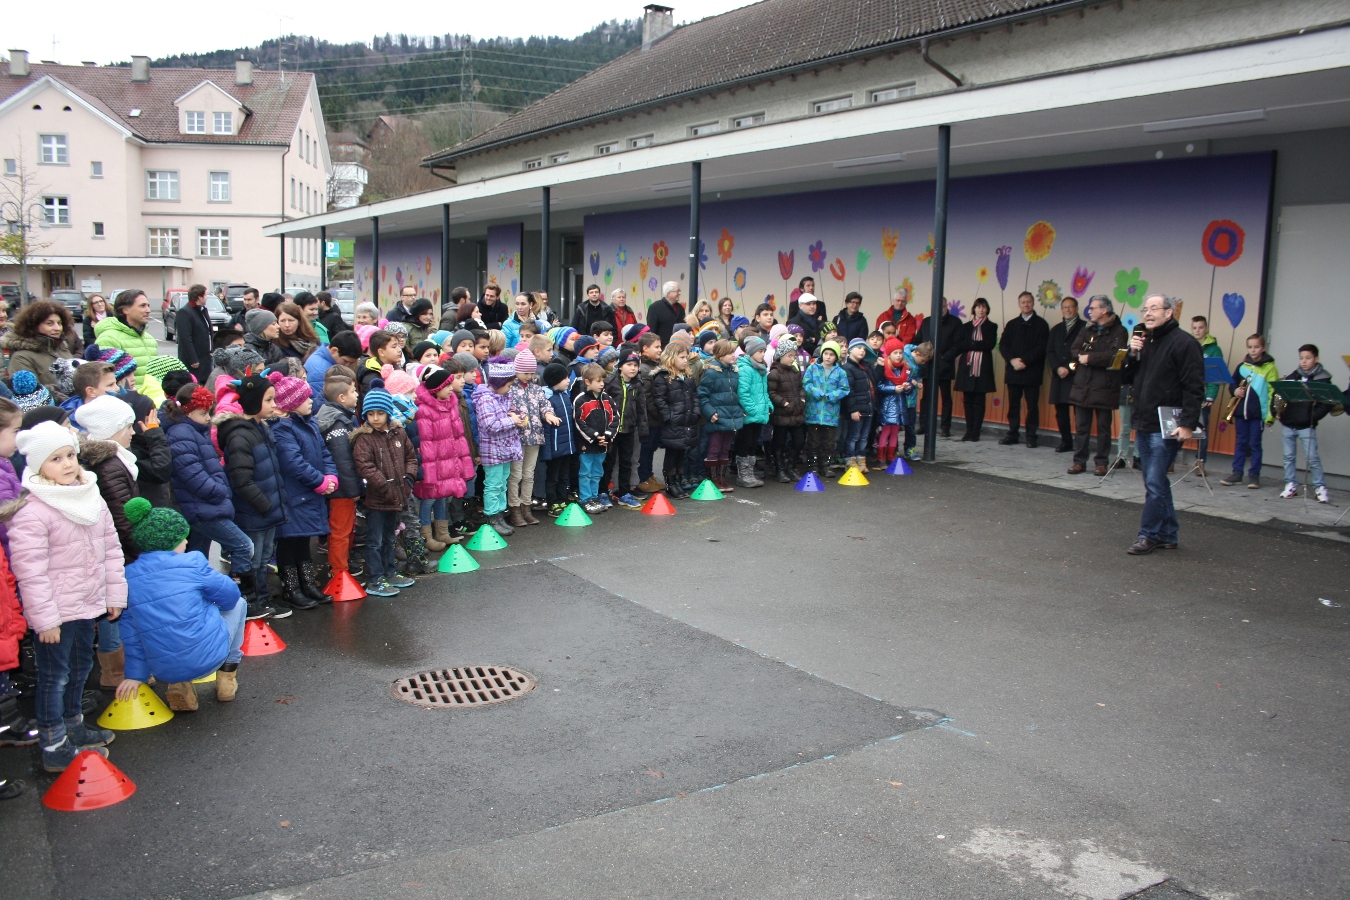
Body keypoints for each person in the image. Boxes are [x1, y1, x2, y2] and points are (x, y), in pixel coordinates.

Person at [8, 420, 127, 772]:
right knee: (54, 676)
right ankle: (53, 743)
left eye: (70, 455)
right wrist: (45, 621)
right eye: (55, 459)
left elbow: (111, 549)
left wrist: (113, 594)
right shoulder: (33, 511)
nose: (67, 464)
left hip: (87, 604)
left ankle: (73, 724)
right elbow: (30, 572)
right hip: (57, 614)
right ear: (38, 465)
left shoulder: (91, 496)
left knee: (80, 668)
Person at [115, 497, 246, 712]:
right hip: (210, 659)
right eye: (182, 537)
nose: (186, 541)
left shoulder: (128, 576)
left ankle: (179, 685)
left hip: (164, 670)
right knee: (239, 604)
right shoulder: (192, 562)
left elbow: (130, 632)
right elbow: (230, 597)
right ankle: (226, 679)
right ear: (171, 541)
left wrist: (135, 675)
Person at [162, 384, 261, 614]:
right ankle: (243, 598)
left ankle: (198, 603)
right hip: (202, 506)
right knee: (243, 545)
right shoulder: (181, 434)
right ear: (188, 412)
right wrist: (219, 491)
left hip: (205, 504)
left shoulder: (195, 430)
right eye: (203, 413)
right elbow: (191, 474)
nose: (208, 418)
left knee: (197, 557)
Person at [1122, 294, 1205, 554]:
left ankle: (1148, 534)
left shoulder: (1184, 343)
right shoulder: (1145, 342)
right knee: (1154, 481)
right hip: (1144, 420)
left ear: (1168, 313)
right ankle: (1168, 534)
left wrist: (1188, 423)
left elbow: (1194, 386)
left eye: (1154, 309)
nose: (1147, 313)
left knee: (1155, 482)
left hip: (1167, 425)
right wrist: (1132, 352)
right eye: (1145, 309)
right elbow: (1126, 377)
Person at [217, 369, 289, 615]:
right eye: (268, 400)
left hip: (268, 509)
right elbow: (241, 479)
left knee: (264, 557)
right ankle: (250, 602)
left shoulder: (261, 428)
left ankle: (262, 597)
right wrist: (265, 505)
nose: (274, 405)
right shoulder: (240, 436)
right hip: (255, 511)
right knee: (254, 559)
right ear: (253, 402)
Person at [269, 373, 337, 609]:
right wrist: (319, 481)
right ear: (291, 403)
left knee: (303, 540)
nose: (311, 400)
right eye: (305, 397)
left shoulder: (309, 423)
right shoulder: (282, 429)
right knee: (289, 541)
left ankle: (307, 584)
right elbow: (293, 463)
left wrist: (330, 476)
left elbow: (325, 452)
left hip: (309, 493)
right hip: (293, 494)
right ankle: (291, 588)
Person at [351, 387, 420, 596]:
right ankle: (375, 578)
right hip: (377, 499)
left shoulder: (399, 433)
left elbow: (410, 457)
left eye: (380, 413)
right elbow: (365, 467)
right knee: (375, 540)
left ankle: (390, 572)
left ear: (388, 413)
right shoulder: (364, 439)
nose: (375, 418)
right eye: (370, 414)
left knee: (390, 537)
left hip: (397, 495)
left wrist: (408, 479)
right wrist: (385, 486)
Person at [1067, 296, 1128, 476]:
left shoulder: (1119, 331)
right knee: (1082, 427)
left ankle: (1101, 463)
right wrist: (1086, 357)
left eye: (1093, 308)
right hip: (1083, 385)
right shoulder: (1087, 329)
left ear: (1104, 310)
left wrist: (1090, 358)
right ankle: (1079, 462)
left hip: (1105, 386)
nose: (1090, 311)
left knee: (1103, 428)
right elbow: (1075, 350)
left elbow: (1116, 355)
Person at [413, 366, 472, 549]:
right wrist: (429, 469)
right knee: (429, 498)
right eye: (447, 386)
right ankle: (426, 536)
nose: (450, 389)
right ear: (437, 388)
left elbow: (458, 436)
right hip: (433, 463)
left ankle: (443, 533)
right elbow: (425, 442)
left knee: (442, 497)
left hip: (448, 461)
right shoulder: (424, 410)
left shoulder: (451, 406)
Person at [316, 376, 364, 579]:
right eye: (353, 391)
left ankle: (344, 565)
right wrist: (354, 490)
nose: (357, 394)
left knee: (345, 528)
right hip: (341, 489)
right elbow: (343, 461)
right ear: (341, 397)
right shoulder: (337, 424)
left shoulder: (339, 417)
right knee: (340, 531)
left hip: (342, 486)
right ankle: (339, 573)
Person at [472, 356, 526, 535]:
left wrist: (517, 416)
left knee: (502, 483)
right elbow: (490, 425)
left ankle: (500, 514)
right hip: (492, 450)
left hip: (506, 449)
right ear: (499, 382)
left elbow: (510, 412)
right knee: (493, 484)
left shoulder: (504, 396)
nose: (510, 389)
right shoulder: (485, 399)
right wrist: (512, 421)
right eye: (508, 385)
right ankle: (491, 516)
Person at [1219, 334, 1278, 489]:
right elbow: (1232, 384)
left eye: (1256, 347)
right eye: (1250, 347)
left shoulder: (1270, 369)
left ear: (1263, 348)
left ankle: (1254, 475)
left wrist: (1270, 416)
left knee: (1255, 445)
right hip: (1241, 413)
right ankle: (1237, 473)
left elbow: (1273, 393)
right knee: (1240, 443)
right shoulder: (1242, 366)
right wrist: (1235, 390)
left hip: (1257, 415)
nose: (1253, 350)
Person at [1276, 344, 1333, 503]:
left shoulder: (1323, 379)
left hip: (1307, 425)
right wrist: (1277, 412)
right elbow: (1279, 395)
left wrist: (1312, 417)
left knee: (1312, 458)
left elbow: (1327, 403)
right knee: (1288, 457)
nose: (1304, 361)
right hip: (1289, 423)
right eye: (1301, 358)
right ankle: (1291, 484)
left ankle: (1320, 487)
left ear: (1316, 359)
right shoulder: (1293, 376)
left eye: (1308, 358)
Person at [998, 291, 1050, 447]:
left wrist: (1024, 361)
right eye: (1023, 302)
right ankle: (1012, 434)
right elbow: (1003, 345)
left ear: (1033, 303)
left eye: (1029, 302)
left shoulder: (1041, 324)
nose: (1026, 305)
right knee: (1013, 405)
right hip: (1013, 371)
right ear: (1019, 304)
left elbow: (1041, 347)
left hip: (1032, 372)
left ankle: (1031, 436)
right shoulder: (1012, 324)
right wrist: (1012, 360)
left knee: (1032, 406)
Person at [652, 343, 700, 498]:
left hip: (687, 421)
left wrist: (695, 413)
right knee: (672, 453)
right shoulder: (663, 377)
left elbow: (694, 397)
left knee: (682, 452)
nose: (685, 360)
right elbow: (659, 400)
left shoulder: (688, 376)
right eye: (682, 357)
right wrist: (669, 417)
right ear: (672, 358)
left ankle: (678, 480)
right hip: (673, 423)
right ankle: (671, 483)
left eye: (686, 357)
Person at [507, 352, 549, 526]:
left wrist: (548, 414)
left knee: (529, 474)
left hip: (535, 436)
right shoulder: (510, 388)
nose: (529, 376)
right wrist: (512, 416)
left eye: (531, 372)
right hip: (517, 438)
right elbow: (506, 408)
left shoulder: (536, 388)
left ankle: (526, 507)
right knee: (515, 475)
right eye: (525, 372)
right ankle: (514, 508)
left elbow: (544, 404)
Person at [697, 340, 744, 493]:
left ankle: (722, 478)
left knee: (725, 448)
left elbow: (737, 394)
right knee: (714, 448)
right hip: (717, 417)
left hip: (732, 417)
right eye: (730, 352)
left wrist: (741, 410)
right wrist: (710, 412)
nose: (733, 355)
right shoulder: (711, 373)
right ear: (720, 354)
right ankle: (712, 480)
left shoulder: (734, 372)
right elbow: (702, 395)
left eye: (733, 352)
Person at [5, 301, 80, 396]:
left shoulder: (62, 348)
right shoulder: (21, 357)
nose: (57, 328)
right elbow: (30, 396)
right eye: (50, 323)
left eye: (59, 323)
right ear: (34, 326)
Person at [572, 363, 618, 514]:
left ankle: (594, 496)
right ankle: (586, 499)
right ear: (587, 381)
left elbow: (615, 418)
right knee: (585, 472)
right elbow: (579, 422)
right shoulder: (581, 400)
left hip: (603, 444)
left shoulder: (607, 399)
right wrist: (595, 436)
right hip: (587, 444)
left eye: (603, 380)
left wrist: (608, 436)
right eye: (598, 381)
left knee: (598, 471)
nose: (602, 384)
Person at [602, 349, 646, 507]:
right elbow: (602, 406)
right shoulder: (609, 382)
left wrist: (643, 429)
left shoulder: (638, 384)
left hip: (629, 429)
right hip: (611, 431)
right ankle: (603, 492)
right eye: (629, 364)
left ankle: (624, 493)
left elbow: (641, 408)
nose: (633, 368)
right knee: (608, 462)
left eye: (635, 365)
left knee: (626, 462)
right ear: (620, 366)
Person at [94, 289, 158, 392]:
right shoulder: (108, 338)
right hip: (127, 399)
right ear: (125, 310)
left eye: (148, 305)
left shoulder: (149, 338)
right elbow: (106, 381)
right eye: (142, 306)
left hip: (151, 399)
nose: (148, 310)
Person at [955, 299, 998, 442]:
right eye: (978, 307)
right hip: (967, 368)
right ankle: (968, 430)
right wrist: (976, 344)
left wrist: (971, 344)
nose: (981, 310)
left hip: (982, 368)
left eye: (984, 307)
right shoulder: (966, 326)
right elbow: (960, 344)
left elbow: (989, 344)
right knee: (967, 400)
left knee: (979, 400)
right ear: (974, 309)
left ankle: (976, 431)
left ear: (987, 310)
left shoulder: (991, 326)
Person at [914, 304, 961, 437]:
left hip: (945, 366)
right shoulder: (927, 321)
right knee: (926, 398)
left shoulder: (955, 322)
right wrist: (921, 355)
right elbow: (918, 340)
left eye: (943, 306)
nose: (940, 308)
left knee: (946, 398)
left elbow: (958, 344)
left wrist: (945, 357)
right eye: (938, 305)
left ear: (947, 307)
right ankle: (923, 425)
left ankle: (945, 428)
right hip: (927, 366)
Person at [1047, 296, 1085, 452]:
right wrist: (1057, 368)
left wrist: (1069, 368)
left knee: (1080, 413)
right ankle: (1066, 441)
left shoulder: (1084, 328)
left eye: (1071, 307)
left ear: (1076, 308)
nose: (1068, 310)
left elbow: (1084, 352)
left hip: (1077, 376)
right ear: (1061, 310)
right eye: (1065, 307)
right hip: (1059, 376)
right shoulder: (1056, 329)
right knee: (1061, 412)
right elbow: (1050, 352)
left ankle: (1081, 444)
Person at [1189, 315, 1224, 477]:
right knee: (1177, 425)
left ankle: (1200, 462)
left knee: (1202, 429)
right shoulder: (1187, 344)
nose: (1197, 331)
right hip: (1186, 395)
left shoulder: (1214, 350)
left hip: (1203, 396)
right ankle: (1171, 460)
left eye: (1201, 327)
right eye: (1194, 328)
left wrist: (1211, 396)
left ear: (1207, 329)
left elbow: (1215, 376)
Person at [767, 337, 805, 482]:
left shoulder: (795, 372)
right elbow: (771, 392)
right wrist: (784, 403)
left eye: (794, 356)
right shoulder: (774, 373)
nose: (792, 358)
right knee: (779, 443)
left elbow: (801, 388)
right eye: (789, 355)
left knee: (799, 441)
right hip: (782, 414)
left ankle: (791, 467)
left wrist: (802, 399)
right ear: (781, 355)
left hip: (796, 413)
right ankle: (780, 469)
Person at [540, 362, 576, 517]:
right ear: (555, 380)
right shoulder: (548, 399)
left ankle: (562, 499)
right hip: (555, 448)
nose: (568, 380)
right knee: (553, 477)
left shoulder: (566, 396)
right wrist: (547, 451)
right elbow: (547, 429)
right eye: (565, 378)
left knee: (563, 476)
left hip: (567, 446)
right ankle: (552, 502)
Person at [734, 336, 771, 488]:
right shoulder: (746, 369)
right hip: (750, 415)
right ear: (751, 352)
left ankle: (749, 472)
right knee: (745, 442)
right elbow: (743, 394)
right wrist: (753, 410)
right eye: (760, 351)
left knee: (753, 444)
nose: (763, 354)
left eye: (764, 351)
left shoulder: (761, 369)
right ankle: (743, 474)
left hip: (759, 414)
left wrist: (768, 406)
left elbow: (764, 392)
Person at [635, 332, 665, 493]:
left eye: (660, 346)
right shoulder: (644, 370)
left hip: (655, 419)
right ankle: (642, 478)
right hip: (649, 419)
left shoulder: (654, 366)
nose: (660, 350)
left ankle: (649, 474)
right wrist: (659, 414)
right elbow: (647, 398)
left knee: (651, 448)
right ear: (645, 348)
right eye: (656, 347)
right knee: (645, 450)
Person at [839, 338, 875, 472]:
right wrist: (853, 410)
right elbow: (849, 392)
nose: (862, 351)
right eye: (859, 348)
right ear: (850, 350)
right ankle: (850, 459)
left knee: (864, 437)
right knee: (853, 436)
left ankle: (861, 460)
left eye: (864, 349)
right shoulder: (847, 368)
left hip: (868, 407)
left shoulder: (865, 367)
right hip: (857, 409)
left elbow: (872, 387)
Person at [173, 284, 214, 382]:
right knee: (194, 385)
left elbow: (207, 332)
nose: (207, 297)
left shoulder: (202, 311)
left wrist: (211, 349)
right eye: (205, 295)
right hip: (194, 361)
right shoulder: (184, 312)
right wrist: (193, 359)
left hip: (205, 358)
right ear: (199, 297)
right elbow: (185, 338)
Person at [305, 329, 362, 399]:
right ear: (334, 350)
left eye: (351, 363)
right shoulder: (321, 371)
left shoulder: (321, 355)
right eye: (345, 361)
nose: (347, 365)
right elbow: (320, 401)